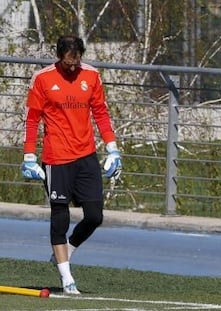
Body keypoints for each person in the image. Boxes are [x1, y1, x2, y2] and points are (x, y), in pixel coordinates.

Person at [22, 35, 122, 294]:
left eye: (76, 63)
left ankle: (67, 251)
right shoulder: (43, 78)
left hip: (86, 155)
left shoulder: (91, 76)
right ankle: (67, 279)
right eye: (67, 64)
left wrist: (112, 148)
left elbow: (100, 112)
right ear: (59, 57)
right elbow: (32, 119)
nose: (72, 68)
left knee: (94, 216)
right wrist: (29, 156)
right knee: (60, 216)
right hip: (57, 158)